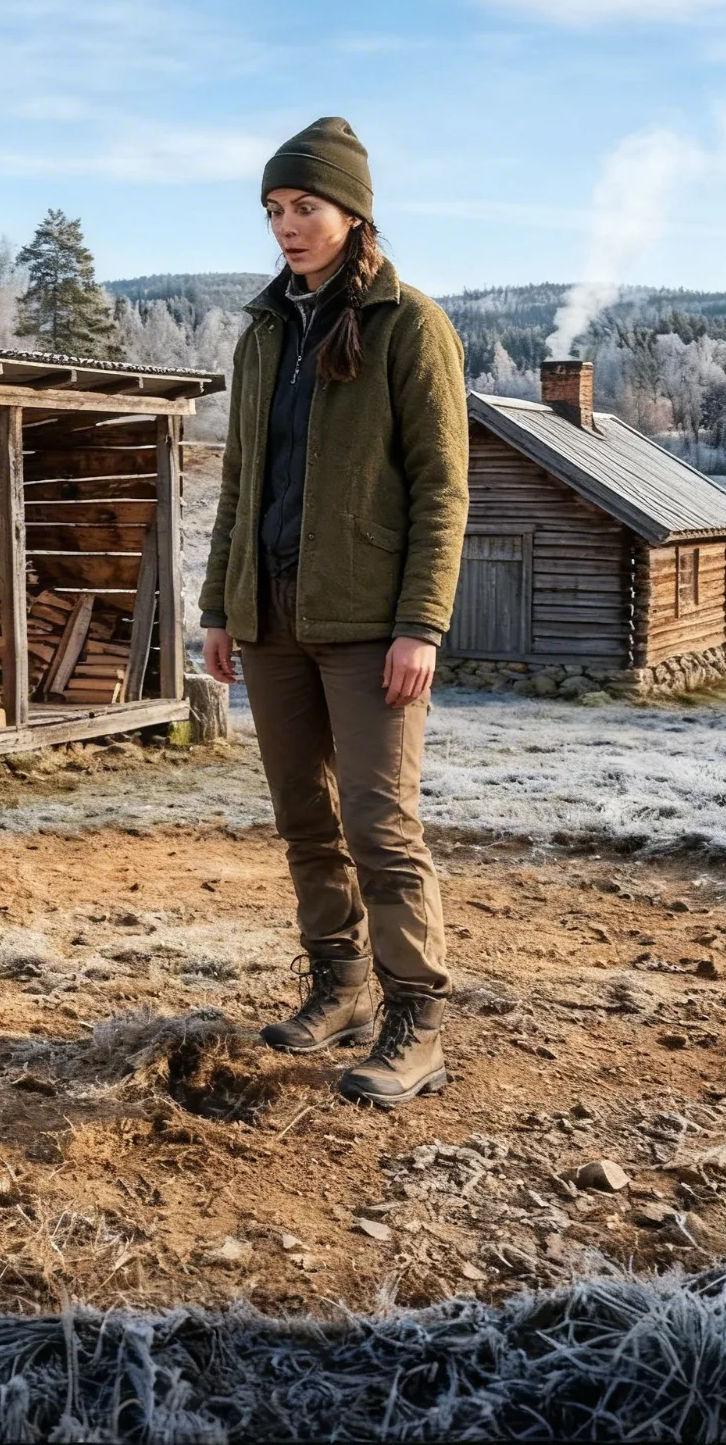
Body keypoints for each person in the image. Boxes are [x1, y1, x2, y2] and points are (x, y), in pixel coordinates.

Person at [200, 116, 470, 1108]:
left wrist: (421, 625)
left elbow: (443, 489)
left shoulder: (411, 326)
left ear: (352, 210)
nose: (286, 226)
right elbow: (238, 484)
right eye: (273, 209)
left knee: (380, 824)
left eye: (303, 206)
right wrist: (219, 608)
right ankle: (342, 985)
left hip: (370, 627)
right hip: (269, 620)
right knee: (304, 821)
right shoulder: (263, 333)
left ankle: (416, 1021)